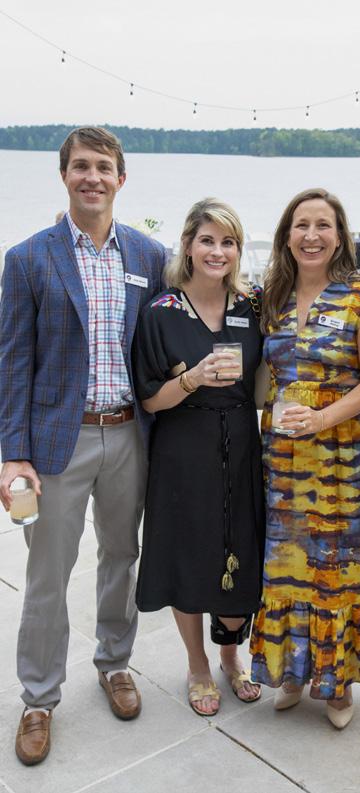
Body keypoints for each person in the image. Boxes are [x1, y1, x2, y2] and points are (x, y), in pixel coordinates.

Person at [0, 127, 166, 765]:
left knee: (122, 557)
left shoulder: (149, 255)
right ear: (64, 175)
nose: (92, 177)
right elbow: (14, 361)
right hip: (55, 444)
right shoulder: (28, 259)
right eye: (80, 167)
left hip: (129, 435)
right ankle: (39, 699)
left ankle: (115, 663)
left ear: (121, 178)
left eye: (103, 167)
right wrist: (14, 454)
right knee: (47, 574)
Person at [249, 188, 360, 729]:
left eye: (323, 225)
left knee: (338, 572)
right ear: (287, 236)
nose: (311, 235)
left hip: (341, 460)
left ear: (339, 236)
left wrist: (322, 418)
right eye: (301, 225)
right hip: (283, 461)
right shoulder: (272, 296)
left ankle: (338, 687)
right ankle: (293, 674)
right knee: (287, 568)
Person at [132, 198, 265, 717]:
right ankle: (197, 665)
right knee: (187, 554)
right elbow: (149, 399)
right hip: (183, 447)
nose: (217, 251)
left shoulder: (251, 306)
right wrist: (191, 378)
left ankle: (231, 656)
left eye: (228, 242)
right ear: (187, 245)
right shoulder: (161, 312)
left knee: (242, 547)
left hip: (241, 442)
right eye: (207, 240)